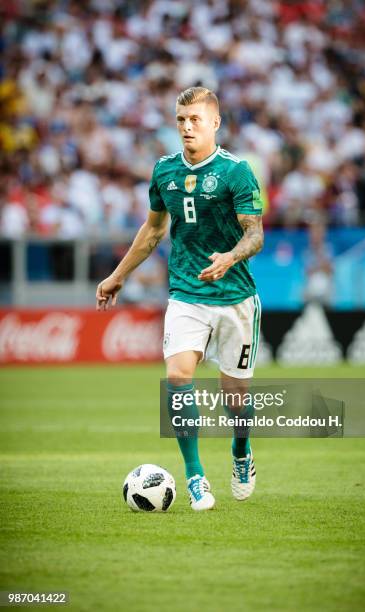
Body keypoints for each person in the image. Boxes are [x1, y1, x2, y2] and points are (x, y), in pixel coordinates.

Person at [96, 87, 264, 511]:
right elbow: (153, 231)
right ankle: (195, 478)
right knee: (177, 378)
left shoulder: (236, 172)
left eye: (195, 120)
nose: (187, 127)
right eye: (181, 119)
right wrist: (117, 276)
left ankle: (241, 452)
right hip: (187, 292)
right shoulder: (164, 171)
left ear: (215, 123)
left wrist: (230, 256)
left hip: (236, 296)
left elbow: (255, 233)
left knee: (235, 398)